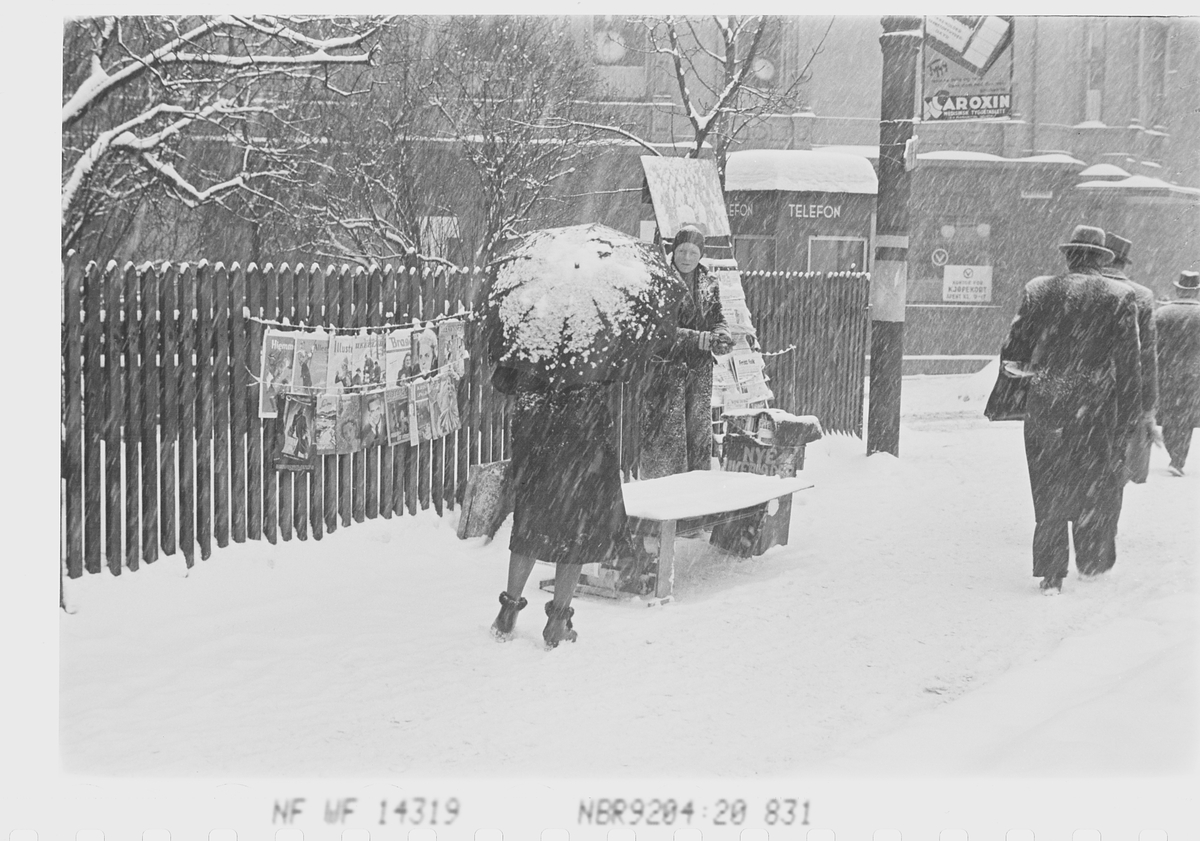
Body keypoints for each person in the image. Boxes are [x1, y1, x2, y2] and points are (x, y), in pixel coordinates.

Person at [998, 225, 1142, 594]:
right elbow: (1129, 368)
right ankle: (1091, 560)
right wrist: (1127, 421)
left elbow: (1014, 354)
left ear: (1069, 256)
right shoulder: (1119, 297)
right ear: (1101, 259)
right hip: (1095, 409)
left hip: (1046, 404)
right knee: (1091, 483)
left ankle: (1051, 571)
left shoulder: (1039, 290)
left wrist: (1038, 372)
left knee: (1048, 486)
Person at [488, 367, 637, 648]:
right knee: (576, 525)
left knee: (530, 520)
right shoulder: (593, 330)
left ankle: (507, 612)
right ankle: (558, 622)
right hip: (582, 427)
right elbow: (617, 371)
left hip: (534, 426)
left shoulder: (530, 326)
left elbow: (503, 379)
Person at [638, 225, 734, 479]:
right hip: (665, 371)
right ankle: (664, 493)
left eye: (693, 252)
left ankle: (696, 489)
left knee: (697, 434)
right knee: (668, 438)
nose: (687, 258)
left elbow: (718, 317)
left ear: (701, 254)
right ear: (673, 251)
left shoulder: (709, 283)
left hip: (699, 371)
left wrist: (722, 334)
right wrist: (697, 339)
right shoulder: (659, 281)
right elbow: (656, 330)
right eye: (682, 251)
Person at [1102, 233, 1159, 483]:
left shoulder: (1077, 287)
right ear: (1124, 264)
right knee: (1116, 465)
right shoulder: (1142, 295)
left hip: (1081, 392)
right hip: (1125, 392)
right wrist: (1148, 407)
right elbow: (1147, 356)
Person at [1153, 270, 1200, 476]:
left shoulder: (1162, 314)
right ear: (1197, 291)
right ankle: (1178, 457)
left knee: (1171, 413)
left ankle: (1174, 452)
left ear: (1178, 290)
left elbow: (1153, 345)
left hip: (1167, 373)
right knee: (1186, 417)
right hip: (1194, 374)